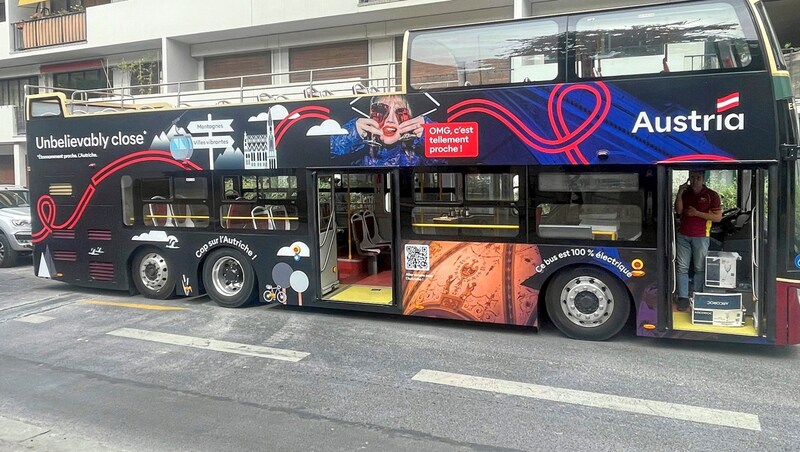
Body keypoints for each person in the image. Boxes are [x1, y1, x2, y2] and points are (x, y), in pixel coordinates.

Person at [331, 94, 436, 166]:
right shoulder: (360, 151)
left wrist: (432, 135)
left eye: (400, 113)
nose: (390, 120)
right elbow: (322, 155)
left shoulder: (417, 153)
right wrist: (351, 135)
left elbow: (446, 161)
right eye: (381, 111)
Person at [674, 170, 722, 311]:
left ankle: (697, 295)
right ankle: (683, 297)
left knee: (699, 268)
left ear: (703, 179)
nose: (695, 181)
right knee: (682, 267)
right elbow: (678, 211)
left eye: (698, 178)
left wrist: (697, 213)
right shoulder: (685, 192)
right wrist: (679, 194)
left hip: (701, 236)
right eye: (692, 178)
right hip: (683, 235)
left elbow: (718, 217)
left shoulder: (711, 195)